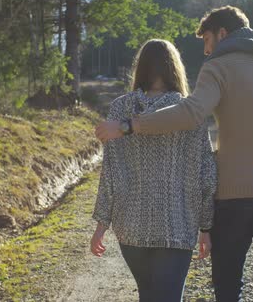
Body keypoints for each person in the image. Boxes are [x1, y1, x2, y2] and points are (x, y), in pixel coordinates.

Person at [95, 6, 253, 302]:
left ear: (223, 34)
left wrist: (128, 125)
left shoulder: (219, 67)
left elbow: (192, 112)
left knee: (227, 289)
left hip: (233, 199)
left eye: (208, 40)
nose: (207, 50)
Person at [90, 39, 217, 302]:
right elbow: (206, 172)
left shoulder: (120, 109)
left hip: (131, 228)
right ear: (175, 69)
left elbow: (110, 173)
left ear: (141, 68)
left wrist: (102, 225)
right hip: (178, 227)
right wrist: (206, 227)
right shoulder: (189, 112)